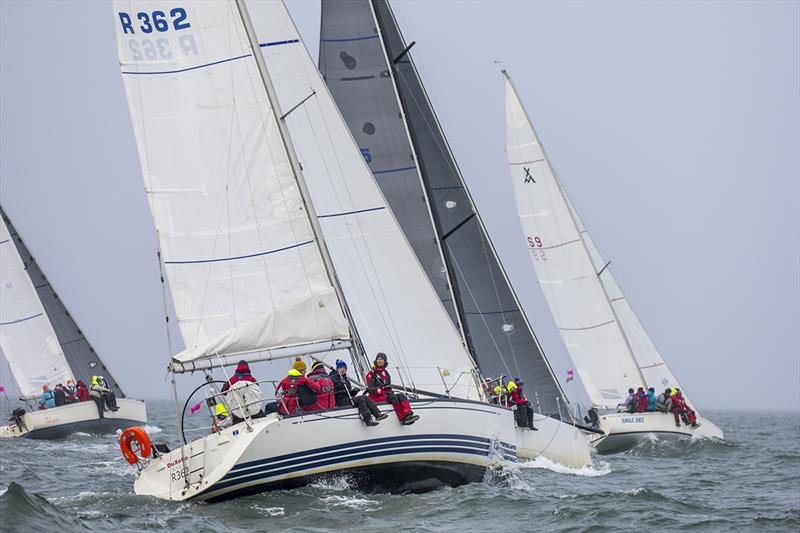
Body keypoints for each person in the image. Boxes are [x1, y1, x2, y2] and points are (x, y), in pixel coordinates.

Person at [329, 359, 386, 426]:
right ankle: (368, 420)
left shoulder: (346, 380)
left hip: (347, 399)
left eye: (344, 368)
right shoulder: (333, 377)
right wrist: (340, 385)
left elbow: (349, 393)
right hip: (340, 401)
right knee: (360, 399)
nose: (342, 369)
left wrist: (354, 391)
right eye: (341, 368)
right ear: (337, 369)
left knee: (365, 397)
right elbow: (332, 390)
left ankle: (377, 414)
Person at [366, 353, 419, 425]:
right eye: (378, 359)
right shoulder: (371, 373)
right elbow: (371, 388)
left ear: (384, 362)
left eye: (381, 359)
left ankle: (408, 414)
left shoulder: (385, 373)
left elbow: (388, 386)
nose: (379, 361)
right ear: (376, 361)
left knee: (401, 395)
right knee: (393, 397)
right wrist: (382, 392)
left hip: (385, 395)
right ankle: (402, 419)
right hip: (375, 398)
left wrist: (389, 392)